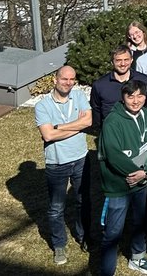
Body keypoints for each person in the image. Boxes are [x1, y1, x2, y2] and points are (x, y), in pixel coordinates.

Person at [98, 80, 147, 276]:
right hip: (119, 186)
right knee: (113, 232)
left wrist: (146, 171)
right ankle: (106, 271)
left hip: (142, 182)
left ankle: (137, 257)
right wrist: (135, 172)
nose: (136, 101)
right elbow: (113, 154)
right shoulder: (112, 121)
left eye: (140, 96)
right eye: (130, 96)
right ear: (123, 97)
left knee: (140, 222)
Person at [35, 65, 92, 265]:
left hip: (81, 158)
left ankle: (84, 236)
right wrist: (77, 125)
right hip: (57, 163)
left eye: (72, 79)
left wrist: (61, 127)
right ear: (55, 80)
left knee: (83, 201)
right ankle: (59, 245)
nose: (68, 83)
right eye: (64, 79)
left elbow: (89, 121)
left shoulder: (78, 96)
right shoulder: (42, 106)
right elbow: (48, 135)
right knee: (56, 208)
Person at [92, 45, 144, 130]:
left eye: (126, 60)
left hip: (138, 129)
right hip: (112, 130)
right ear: (112, 62)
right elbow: (96, 111)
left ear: (131, 60)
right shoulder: (100, 85)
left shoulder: (143, 80)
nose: (123, 64)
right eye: (118, 60)